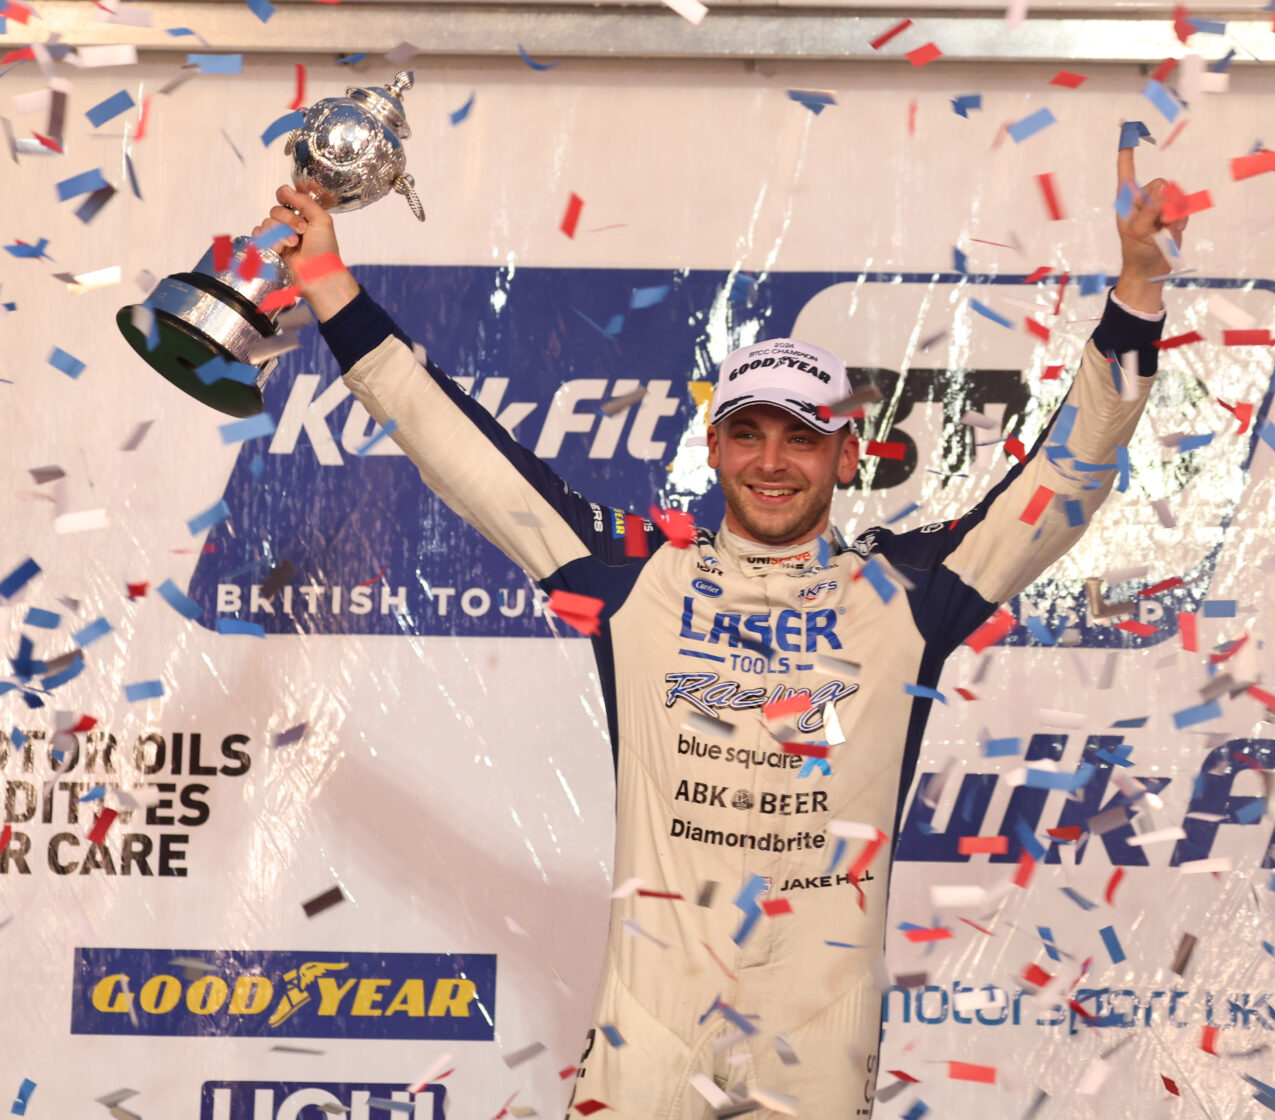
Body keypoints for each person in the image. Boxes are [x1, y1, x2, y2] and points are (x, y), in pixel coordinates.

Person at [255, 140, 1183, 1118]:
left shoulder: (909, 596)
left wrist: (1136, 295)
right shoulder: (629, 583)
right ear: (716, 444)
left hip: (819, 1026)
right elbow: (455, 447)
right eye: (750, 431)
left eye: (801, 436)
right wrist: (324, 279)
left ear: (846, 452)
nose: (773, 461)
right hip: (653, 1019)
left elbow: (1066, 479)